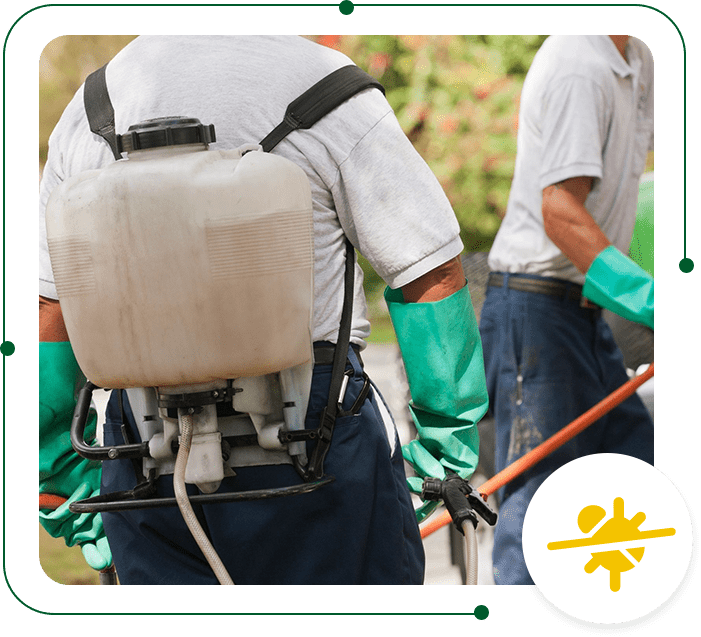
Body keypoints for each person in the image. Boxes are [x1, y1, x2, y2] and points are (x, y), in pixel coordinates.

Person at [39, 35, 488, 585]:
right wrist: (447, 449)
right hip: (314, 433)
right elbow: (428, 269)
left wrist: (63, 477)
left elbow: (48, 307)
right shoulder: (326, 86)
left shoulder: (92, 108)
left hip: (145, 444)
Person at [479, 35, 654, 585]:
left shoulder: (639, 56)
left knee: (631, 466)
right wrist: (652, 303)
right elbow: (558, 209)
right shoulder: (579, 62)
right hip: (535, 309)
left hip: (579, 309)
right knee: (540, 501)